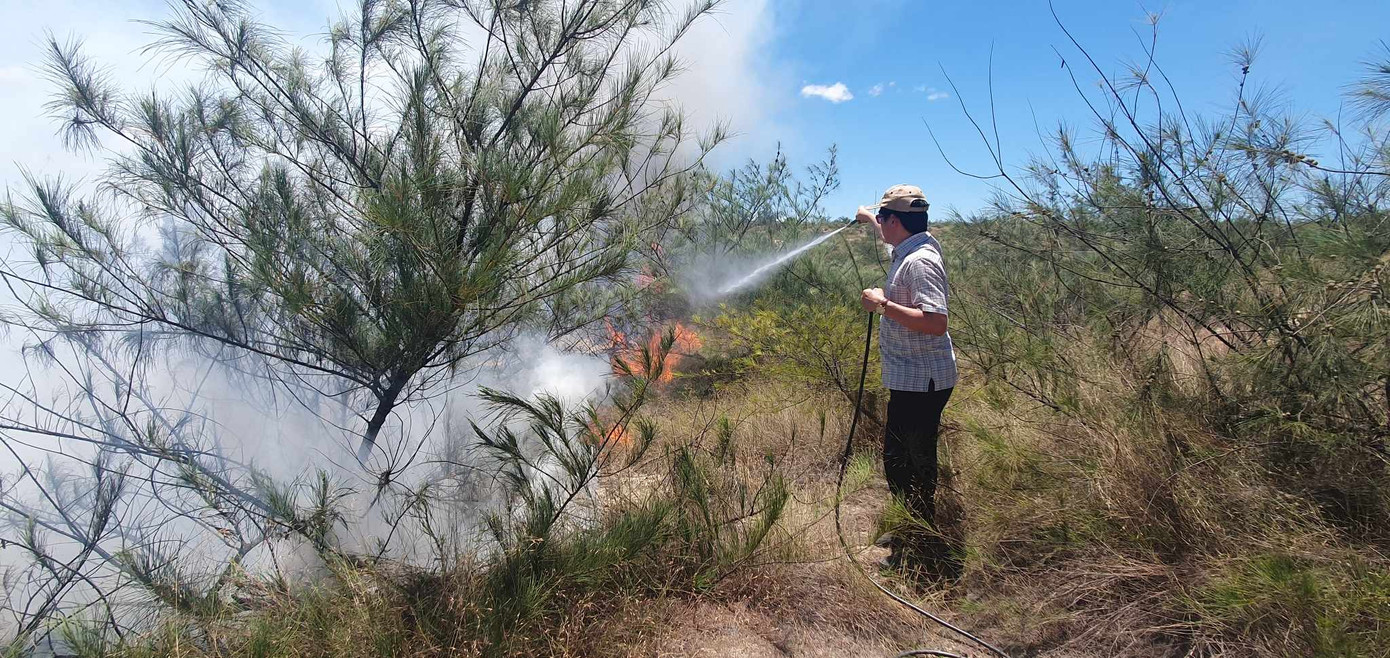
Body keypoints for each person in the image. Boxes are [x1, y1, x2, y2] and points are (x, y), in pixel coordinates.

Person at [855, 184, 958, 573]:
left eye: (883, 220)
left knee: (908, 465)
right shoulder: (908, 248)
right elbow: (889, 245)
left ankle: (920, 545)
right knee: (900, 460)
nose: (880, 225)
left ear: (895, 221)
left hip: (923, 382)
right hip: (912, 379)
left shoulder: (920, 262)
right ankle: (909, 530)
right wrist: (869, 217)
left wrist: (882, 304)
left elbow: (936, 322)